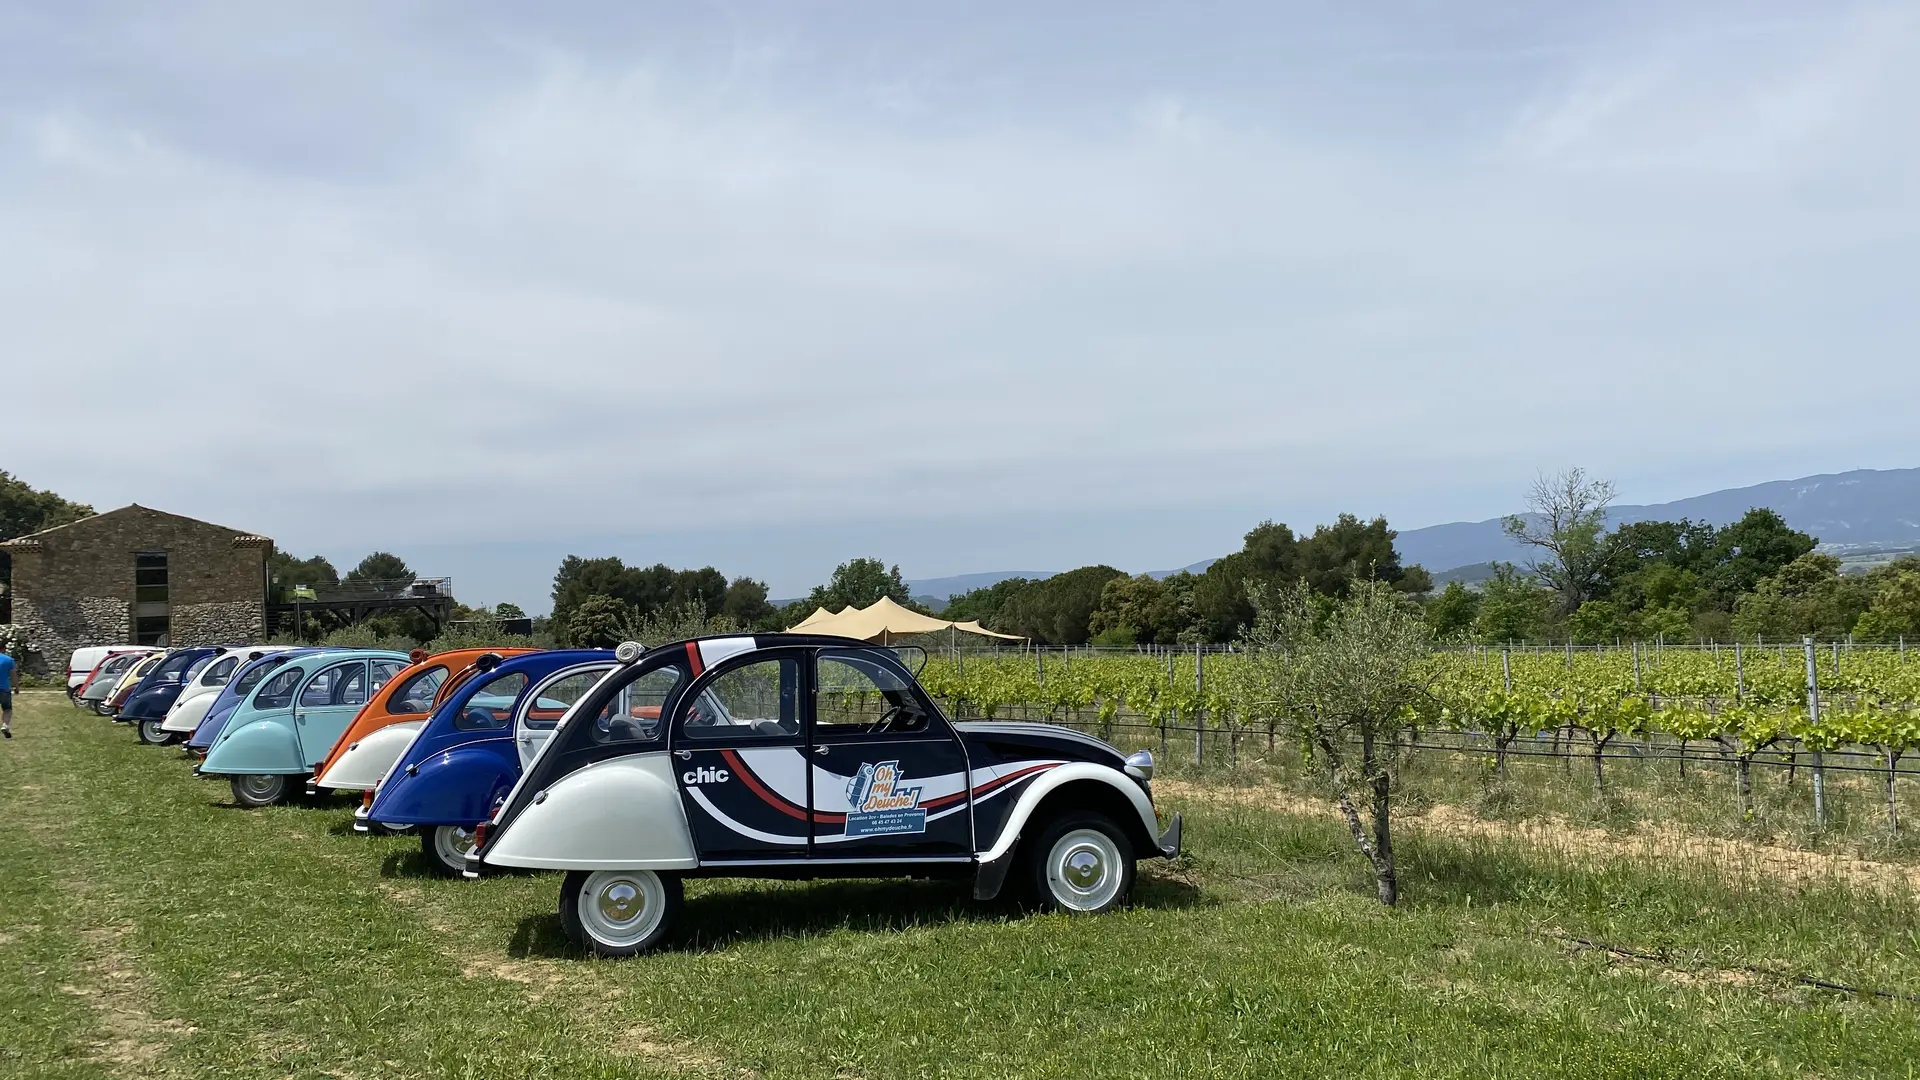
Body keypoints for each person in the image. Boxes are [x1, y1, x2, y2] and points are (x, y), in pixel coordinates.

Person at [0, 649, 14, 738]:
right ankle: (5, 725)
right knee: (7, 709)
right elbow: (13, 674)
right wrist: (16, 687)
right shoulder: (8, 659)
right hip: (4, 689)